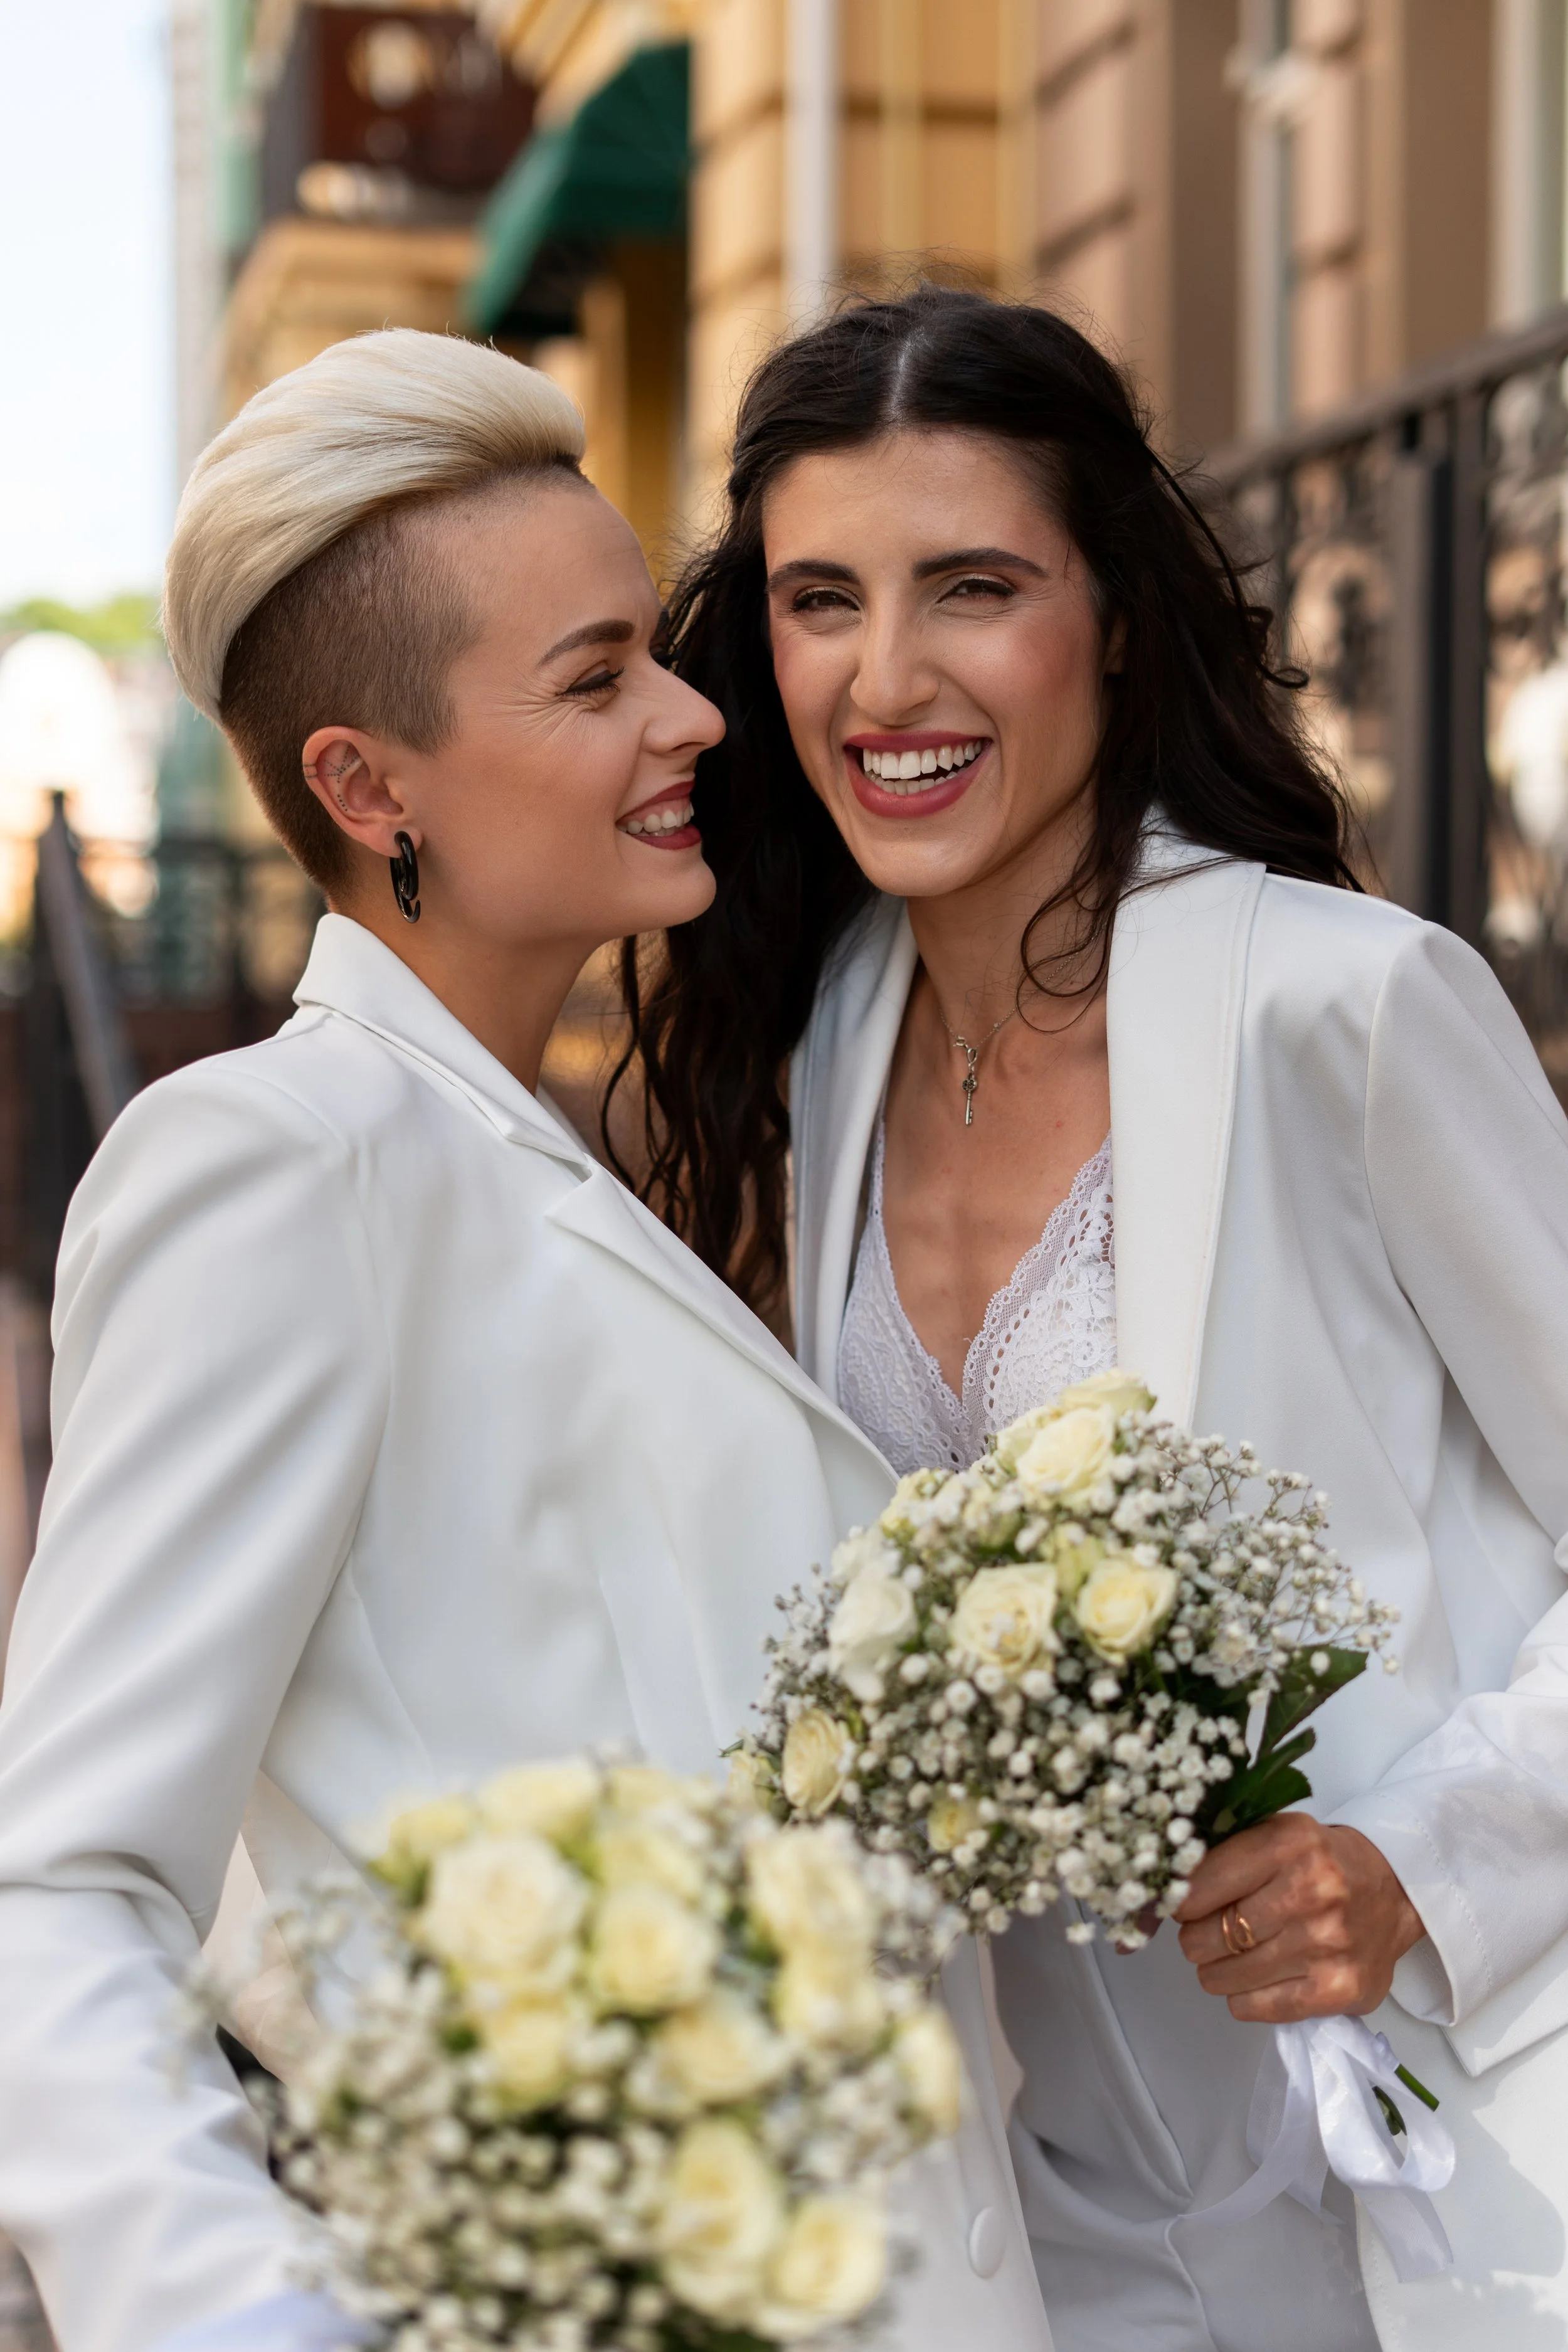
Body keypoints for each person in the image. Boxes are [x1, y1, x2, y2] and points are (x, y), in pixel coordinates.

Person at [0, 330, 1050, 2352]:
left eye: (651, 647)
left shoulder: (555, 1149)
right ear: (364, 784)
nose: (691, 709)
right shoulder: (273, 1162)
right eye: (594, 679)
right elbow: (62, 1889)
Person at [619, 283, 1568, 2349]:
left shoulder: (1346, 1004)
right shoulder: (809, 1054)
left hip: (1417, 2171)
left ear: (1114, 616)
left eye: (972, 586)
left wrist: (1419, 1859)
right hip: (1031, 2223)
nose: (886, 678)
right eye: (816, 599)